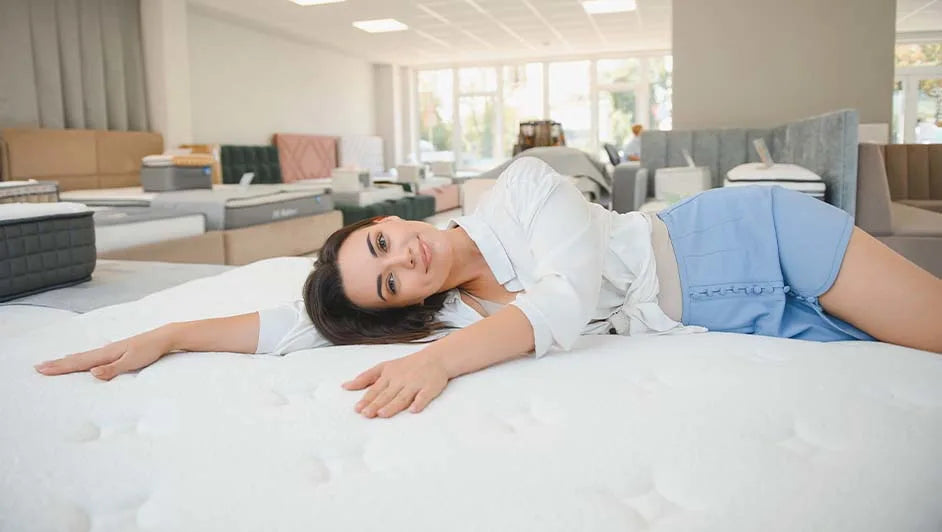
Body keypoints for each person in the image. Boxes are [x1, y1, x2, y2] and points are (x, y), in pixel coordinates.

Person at [36, 158, 942, 420]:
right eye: (387, 283)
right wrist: (170, 336)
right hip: (729, 321)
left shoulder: (526, 190)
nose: (405, 262)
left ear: (392, 216)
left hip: (752, 240)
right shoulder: (454, 311)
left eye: (385, 241)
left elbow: (563, 301)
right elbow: (293, 325)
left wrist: (448, 366)